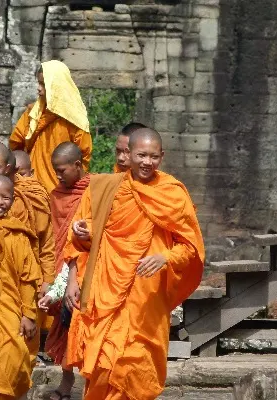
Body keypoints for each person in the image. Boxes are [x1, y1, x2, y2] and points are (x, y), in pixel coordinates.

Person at [63, 128, 205, 400]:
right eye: (141, 155)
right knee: (105, 361)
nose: (146, 162)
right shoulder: (107, 188)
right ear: (129, 154)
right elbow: (94, 235)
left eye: (153, 157)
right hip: (105, 293)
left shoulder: (172, 193)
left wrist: (164, 257)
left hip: (146, 297)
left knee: (137, 363)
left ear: (162, 157)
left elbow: (191, 247)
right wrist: (85, 233)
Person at [0, 141, 56, 366]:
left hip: (21, 283)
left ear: (9, 168)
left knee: (18, 354)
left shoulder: (31, 196)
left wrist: (47, 280)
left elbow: (45, 243)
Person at [37, 142, 91, 400]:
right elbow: (51, 236)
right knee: (65, 328)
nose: (58, 176)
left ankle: (93, 386)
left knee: (88, 329)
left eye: (62, 170)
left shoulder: (93, 191)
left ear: (78, 165)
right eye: (55, 171)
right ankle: (67, 384)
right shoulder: (56, 195)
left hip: (86, 267)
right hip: (60, 268)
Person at [0, 175, 41, 400]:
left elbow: (28, 278)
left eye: (5, 197)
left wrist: (29, 314)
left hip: (9, 308)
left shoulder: (18, 234)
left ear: (13, 200)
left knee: (12, 355)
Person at [9, 60, 92, 193]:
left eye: (43, 84)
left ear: (56, 86)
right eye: (38, 83)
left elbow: (82, 159)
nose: (39, 88)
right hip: (30, 187)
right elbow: (16, 144)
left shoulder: (76, 120)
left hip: (63, 189)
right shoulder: (33, 113)